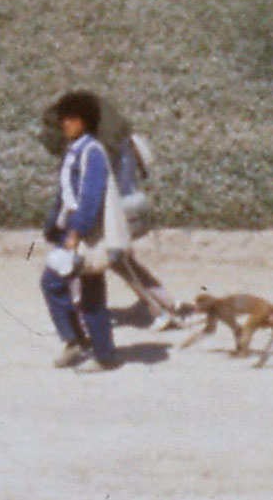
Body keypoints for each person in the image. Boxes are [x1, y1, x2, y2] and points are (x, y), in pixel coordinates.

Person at [36, 95, 190, 330]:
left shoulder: (96, 149)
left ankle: (157, 308)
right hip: (120, 206)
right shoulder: (113, 141)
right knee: (118, 259)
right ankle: (165, 303)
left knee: (112, 258)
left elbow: (91, 191)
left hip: (111, 212)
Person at [40, 90, 120, 370]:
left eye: (71, 118)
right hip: (72, 230)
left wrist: (77, 231)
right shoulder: (77, 150)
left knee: (80, 290)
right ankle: (90, 346)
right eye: (64, 118)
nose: (66, 123)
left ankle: (92, 349)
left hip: (83, 233)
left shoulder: (91, 152)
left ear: (85, 121)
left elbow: (90, 196)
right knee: (80, 289)